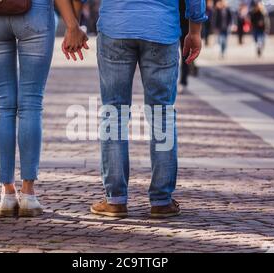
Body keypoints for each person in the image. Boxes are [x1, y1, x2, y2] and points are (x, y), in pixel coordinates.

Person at [65, 0, 207, 218]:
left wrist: (73, 24)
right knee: (162, 115)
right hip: (162, 28)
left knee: (113, 114)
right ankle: (161, 200)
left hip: (116, 26)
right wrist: (195, 30)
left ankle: (115, 200)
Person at [0, 0, 88, 217]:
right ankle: (28, 194)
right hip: (35, 12)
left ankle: (7, 194)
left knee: (2, 104)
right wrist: (72, 24)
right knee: (30, 103)